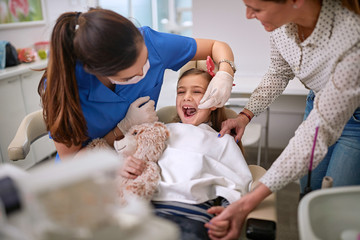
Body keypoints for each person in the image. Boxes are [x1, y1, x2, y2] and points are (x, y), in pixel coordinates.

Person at [210, 0, 360, 239]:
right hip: (318, 101)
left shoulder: (352, 38)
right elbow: (279, 72)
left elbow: (316, 132)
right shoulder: (281, 26)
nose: (248, 15)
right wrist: (245, 115)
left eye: (256, 8)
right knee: (309, 191)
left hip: (356, 120)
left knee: (335, 208)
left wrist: (247, 203)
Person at [37, 8, 236, 161]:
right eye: (130, 75)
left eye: (146, 60)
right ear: (95, 69)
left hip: (140, 158)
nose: (144, 72)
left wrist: (225, 73)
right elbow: (71, 162)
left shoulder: (151, 42)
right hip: (90, 173)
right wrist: (122, 129)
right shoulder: (63, 88)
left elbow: (216, 46)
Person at [119, 67, 252, 240]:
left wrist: (228, 214)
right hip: (146, 209)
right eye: (180, 92)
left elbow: (237, 184)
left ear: (213, 102)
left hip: (192, 217)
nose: (186, 97)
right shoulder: (159, 132)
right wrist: (125, 166)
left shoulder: (222, 141)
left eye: (197, 91)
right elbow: (128, 157)